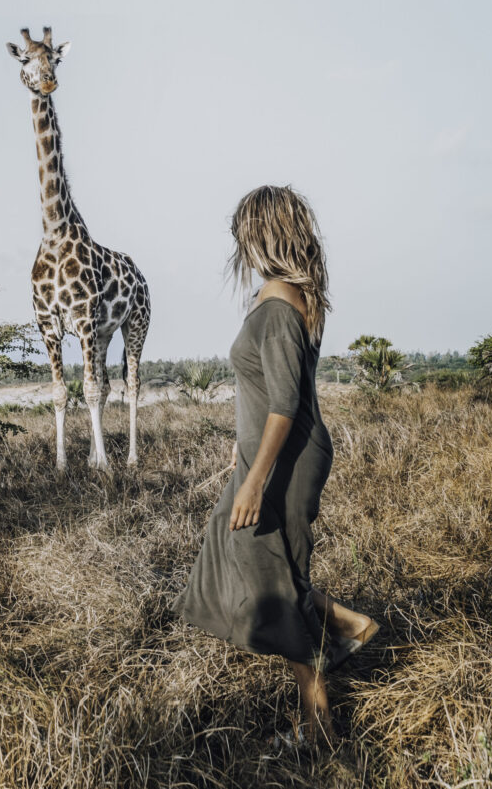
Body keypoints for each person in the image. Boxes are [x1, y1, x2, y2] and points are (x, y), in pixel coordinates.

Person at [170, 184, 380, 750]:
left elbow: (285, 405)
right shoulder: (278, 297)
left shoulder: (283, 305)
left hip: (284, 463)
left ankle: (320, 737)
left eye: (245, 230)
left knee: (277, 584)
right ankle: (342, 623)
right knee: (237, 557)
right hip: (265, 459)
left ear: (264, 233)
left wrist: (256, 481)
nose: (239, 241)